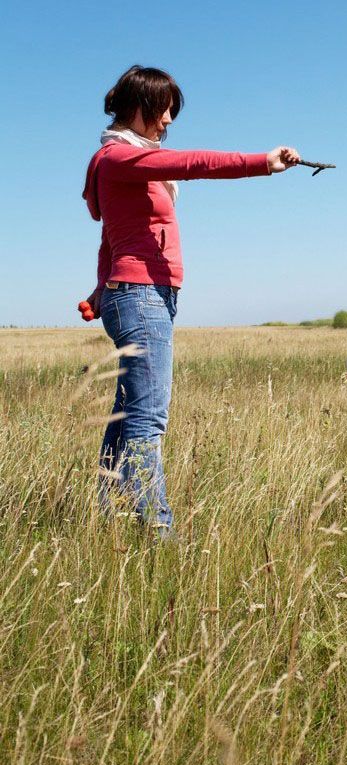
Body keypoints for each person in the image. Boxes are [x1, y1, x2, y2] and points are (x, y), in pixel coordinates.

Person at [82, 65, 301, 537]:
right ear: (137, 109)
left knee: (127, 412)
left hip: (135, 295)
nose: (168, 122)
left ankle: (106, 513)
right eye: (163, 111)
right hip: (141, 298)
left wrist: (101, 292)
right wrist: (263, 162)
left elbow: (109, 241)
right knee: (147, 417)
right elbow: (194, 163)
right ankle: (157, 532)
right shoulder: (119, 158)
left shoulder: (124, 163)